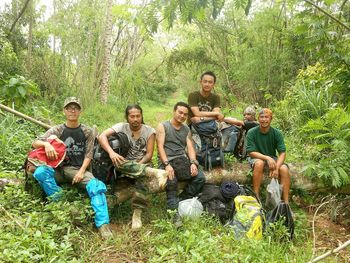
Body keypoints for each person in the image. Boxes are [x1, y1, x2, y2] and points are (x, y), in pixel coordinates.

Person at [31, 97, 113, 239]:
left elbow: (89, 155)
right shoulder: (57, 129)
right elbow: (35, 143)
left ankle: (103, 225)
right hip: (56, 169)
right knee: (40, 173)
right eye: (69, 108)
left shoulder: (87, 131)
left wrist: (81, 172)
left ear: (80, 111)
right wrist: (47, 144)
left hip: (76, 168)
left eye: (75, 108)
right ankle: (61, 204)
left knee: (96, 186)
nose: (72, 111)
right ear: (64, 111)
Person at [98, 104, 155, 230]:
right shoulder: (121, 127)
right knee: (122, 168)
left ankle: (137, 213)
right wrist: (111, 153)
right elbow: (101, 136)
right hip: (123, 164)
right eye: (132, 116)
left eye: (138, 116)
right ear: (127, 117)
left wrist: (137, 166)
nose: (135, 119)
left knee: (142, 177)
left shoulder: (149, 131)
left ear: (141, 116)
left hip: (141, 164)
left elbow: (149, 154)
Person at [156, 102, 205, 214]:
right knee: (172, 181)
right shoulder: (163, 126)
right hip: (166, 161)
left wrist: (193, 162)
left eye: (185, 114)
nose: (182, 116)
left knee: (200, 177)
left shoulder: (186, 128)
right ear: (174, 111)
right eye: (180, 112)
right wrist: (167, 165)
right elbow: (160, 147)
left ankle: (182, 199)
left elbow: (190, 147)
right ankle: (173, 212)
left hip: (181, 160)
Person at [245, 108, 290, 203]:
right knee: (259, 163)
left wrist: (277, 168)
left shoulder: (276, 133)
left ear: (271, 119)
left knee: (284, 169)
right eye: (261, 117)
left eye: (266, 117)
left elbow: (282, 152)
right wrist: (266, 158)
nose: (264, 120)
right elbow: (251, 152)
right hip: (256, 157)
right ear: (258, 118)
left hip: (271, 157)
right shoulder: (252, 132)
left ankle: (286, 203)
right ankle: (256, 197)